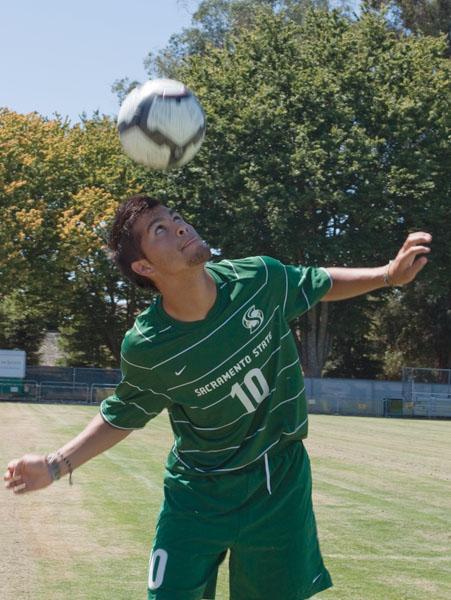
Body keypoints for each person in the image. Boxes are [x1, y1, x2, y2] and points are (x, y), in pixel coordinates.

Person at [4, 195, 432, 600]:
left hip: (277, 483)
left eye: (175, 218)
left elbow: (316, 283)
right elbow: (123, 413)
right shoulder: (148, 346)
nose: (179, 227)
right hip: (196, 495)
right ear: (144, 266)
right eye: (160, 229)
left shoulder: (258, 279)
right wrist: (56, 465)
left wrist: (388, 275)